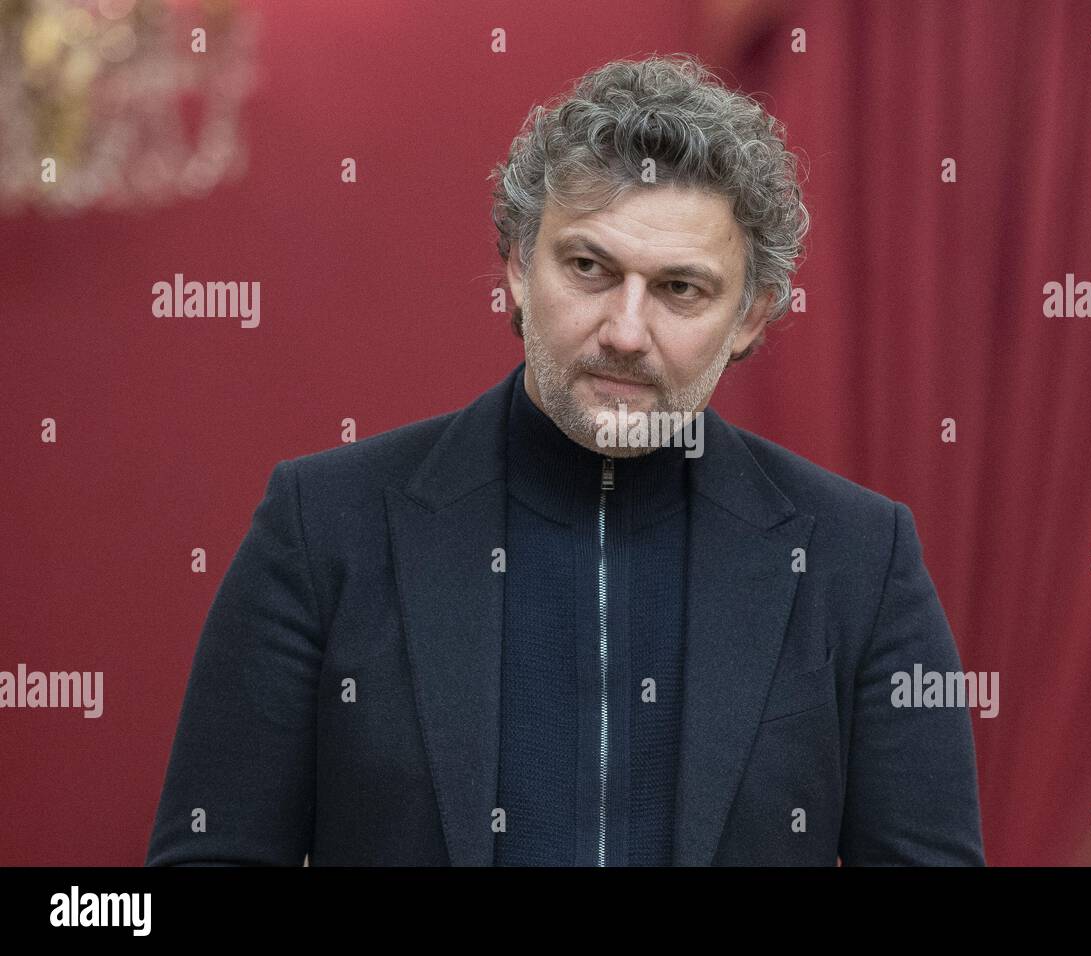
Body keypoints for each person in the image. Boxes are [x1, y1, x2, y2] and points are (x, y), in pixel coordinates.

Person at [146, 53, 984, 867]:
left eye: (679, 289)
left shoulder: (859, 560)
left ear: (752, 317)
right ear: (517, 265)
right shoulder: (323, 524)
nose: (624, 331)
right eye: (589, 267)